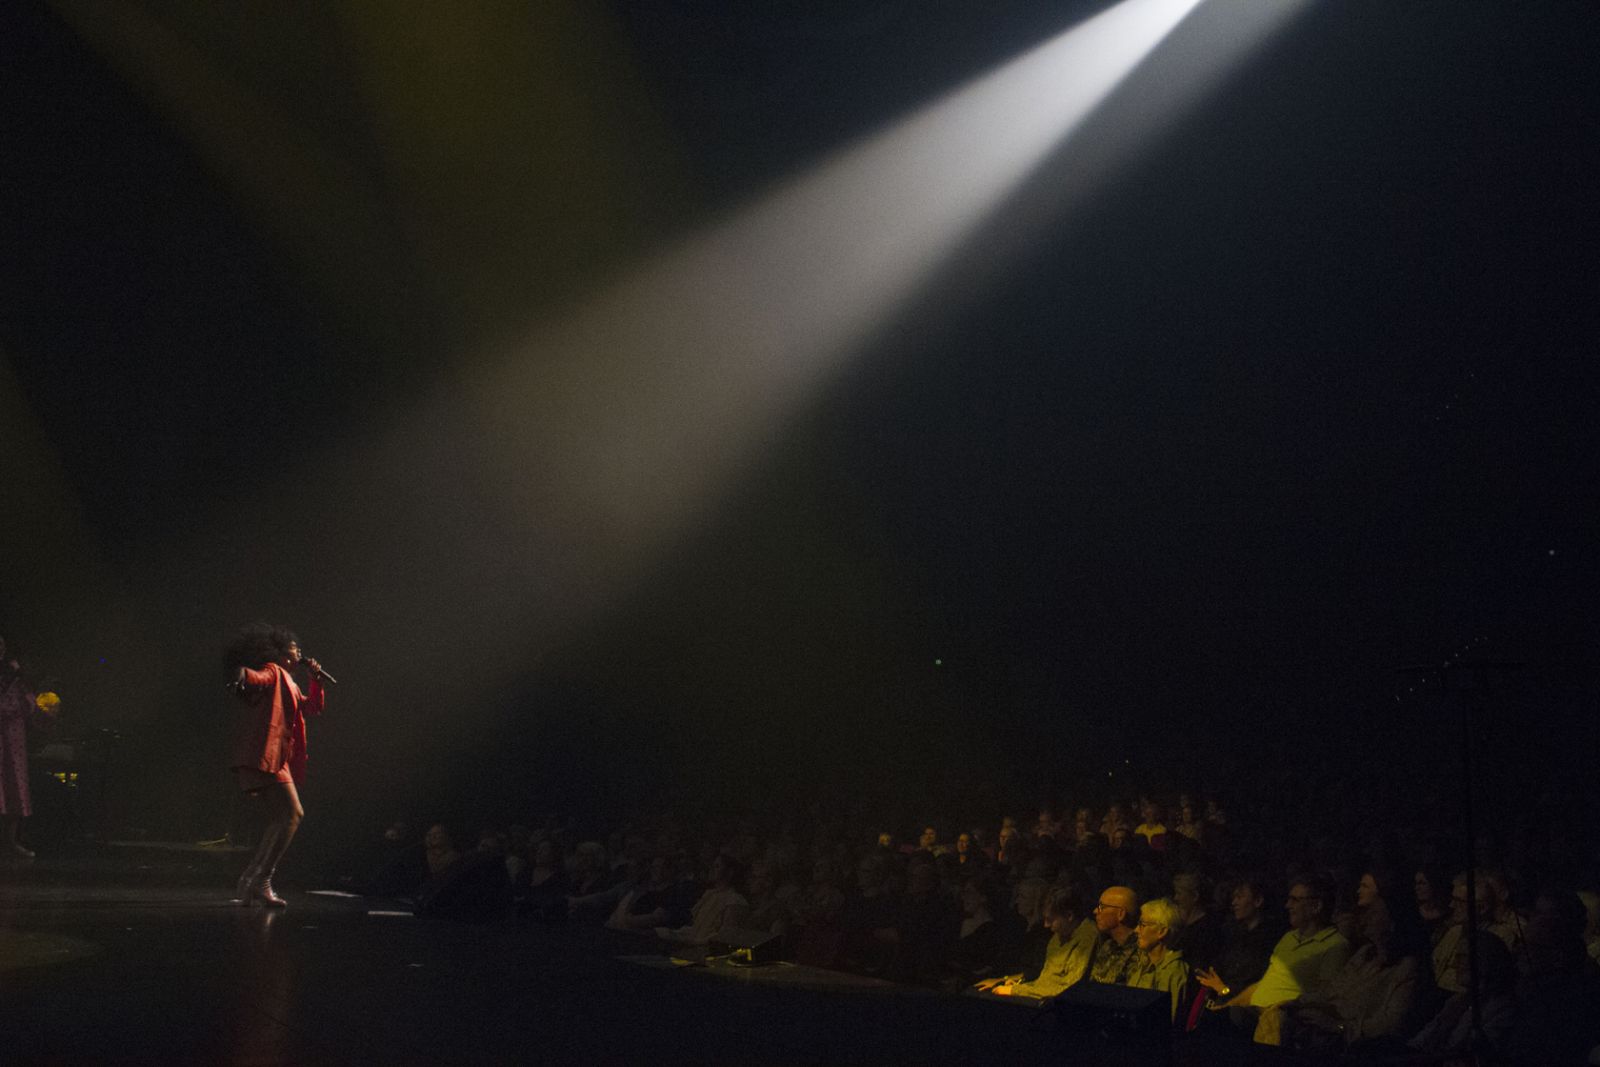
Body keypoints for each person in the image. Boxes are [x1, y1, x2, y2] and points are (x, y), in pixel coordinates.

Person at [226, 623, 326, 907]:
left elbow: (312, 708)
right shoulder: (275, 670)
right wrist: (242, 675)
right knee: (293, 814)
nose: (300, 655)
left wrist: (315, 679)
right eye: (295, 650)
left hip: (276, 758)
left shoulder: (291, 681)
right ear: (282, 654)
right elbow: (257, 677)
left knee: (283, 818)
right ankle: (261, 879)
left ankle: (252, 881)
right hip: (266, 756)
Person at [0, 634, 45, 858]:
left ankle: (10, 842)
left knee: (13, 789)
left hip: (12, 740)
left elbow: (31, 708)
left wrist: (46, 709)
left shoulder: (17, 678)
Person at [1123, 897, 1192, 1022]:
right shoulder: (1144, 964)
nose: (1136, 930)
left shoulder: (1173, 972)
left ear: (1162, 931)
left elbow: (1165, 1023)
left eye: (1142, 925)